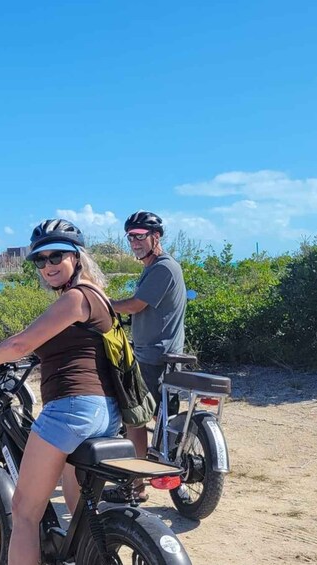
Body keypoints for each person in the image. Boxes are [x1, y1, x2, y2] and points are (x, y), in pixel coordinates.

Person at [0, 220, 120, 564]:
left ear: (77, 257)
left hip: (72, 410)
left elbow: (22, 342)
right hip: (105, 411)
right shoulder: (99, 296)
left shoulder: (75, 296)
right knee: (80, 507)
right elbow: (42, 345)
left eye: (56, 256)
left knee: (24, 512)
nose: (48, 266)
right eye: (40, 260)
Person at [106, 210, 187, 503]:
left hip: (155, 355)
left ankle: (135, 487)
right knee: (154, 416)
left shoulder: (164, 267)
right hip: (155, 352)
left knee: (135, 420)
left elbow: (137, 305)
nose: (134, 242)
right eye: (130, 237)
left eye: (140, 236)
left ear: (156, 237)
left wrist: (103, 305)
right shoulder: (153, 268)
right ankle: (149, 467)